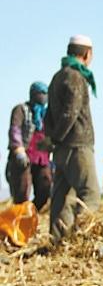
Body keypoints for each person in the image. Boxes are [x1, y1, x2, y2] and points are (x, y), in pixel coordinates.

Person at [43, 35, 100, 239]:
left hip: (61, 148)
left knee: (62, 198)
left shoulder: (57, 77)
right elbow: (71, 112)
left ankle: (58, 241)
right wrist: (57, 138)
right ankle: (80, 238)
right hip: (77, 145)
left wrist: (51, 139)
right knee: (91, 195)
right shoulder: (76, 76)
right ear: (87, 54)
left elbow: (48, 114)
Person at [7, 81, 53, 210]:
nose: (43, 96)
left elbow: (51, 136)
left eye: (45, 93)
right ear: (33, 94)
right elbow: (15, 130)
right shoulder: (21, 109)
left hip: (42, 158)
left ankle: (31, 214)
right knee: (22, 191)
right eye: (40, 93)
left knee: (46, 188)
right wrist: (18, 150)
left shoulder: (47, 114)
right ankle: (20, 219)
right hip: (24, 156)